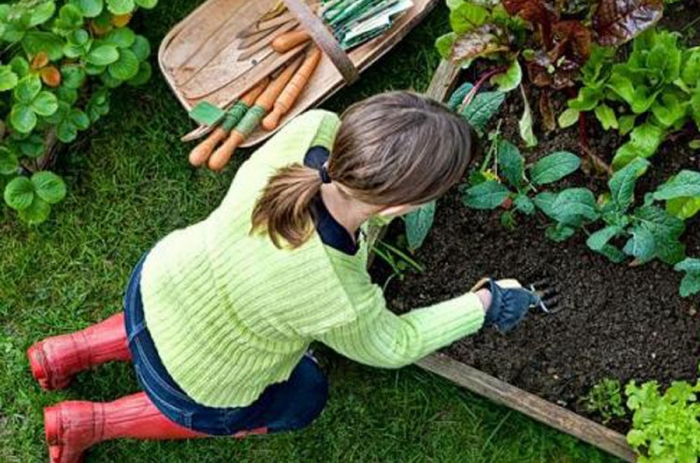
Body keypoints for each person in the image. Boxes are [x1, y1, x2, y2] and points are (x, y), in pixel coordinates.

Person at [28, 91, 539, 463]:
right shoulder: (336, 291)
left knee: (171, 319)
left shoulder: (311, 130)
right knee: (303, 396)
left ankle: (66, 352)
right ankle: (91, 423)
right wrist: (484, 305)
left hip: (159, 281)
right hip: (195, 379)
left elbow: (353, 197)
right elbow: (393, 344)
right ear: (406, 205)